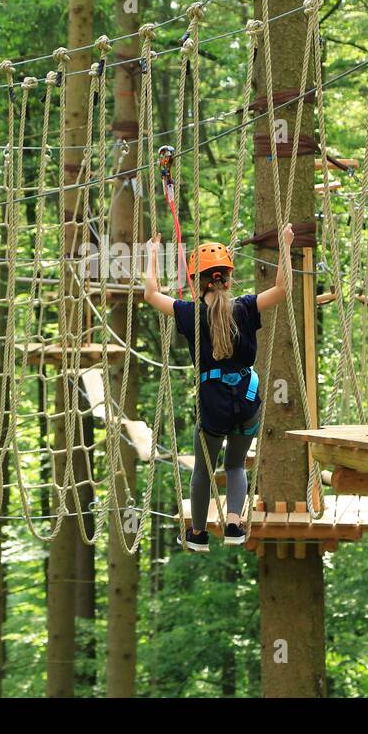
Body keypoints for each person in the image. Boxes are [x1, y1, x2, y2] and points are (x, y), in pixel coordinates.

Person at [143, 223, 293, 551]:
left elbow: (151, 294)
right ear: (226, 279)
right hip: (247, 396)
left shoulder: (189, 313)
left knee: (204, 469)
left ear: (198, 283)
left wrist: (153, 255)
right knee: (236, 464)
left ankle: (197, 533)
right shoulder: (246, 307)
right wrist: (285, 245)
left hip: (213, 403)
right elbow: (282, 289)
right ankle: (235, 525)